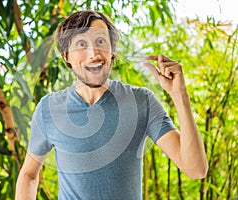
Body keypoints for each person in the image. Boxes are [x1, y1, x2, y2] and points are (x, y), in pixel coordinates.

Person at [15, 10, 208, 200]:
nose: (94, 54)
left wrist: (179, 95)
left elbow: (196, 169)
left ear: (112, 50)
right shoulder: (49, 109)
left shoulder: (142, 102)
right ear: (67, 56)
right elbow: (29, 175)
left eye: (101, 42)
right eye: (81, 44)